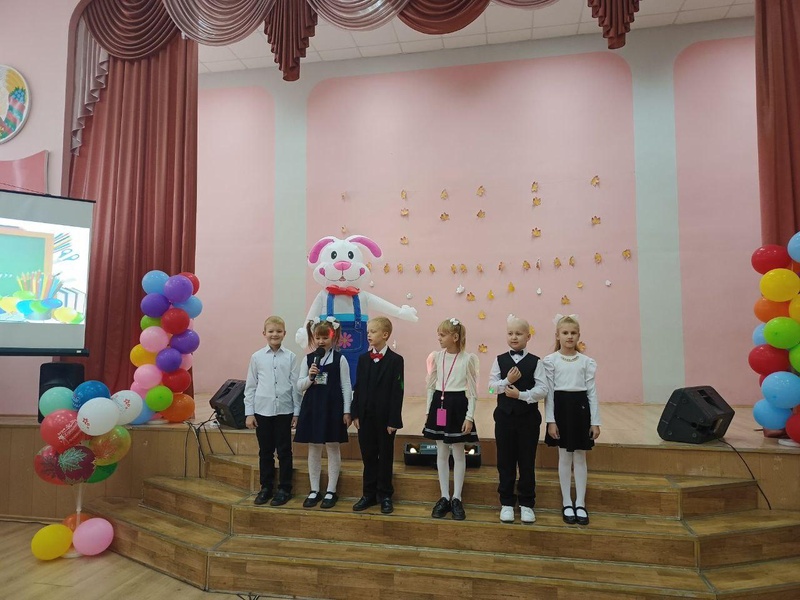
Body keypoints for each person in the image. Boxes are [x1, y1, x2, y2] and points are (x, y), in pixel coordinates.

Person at [488, 315, 548, 524]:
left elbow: (542, 389)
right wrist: (507, 381)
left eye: (519, 333)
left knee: (526, 461)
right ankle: (506, 502)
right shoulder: (499, 360)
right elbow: (490, 388)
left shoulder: (536, 362)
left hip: (528, 420)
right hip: (504, 419)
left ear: (528, 337)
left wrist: (521, 395)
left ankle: (526, 503)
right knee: (505, 461)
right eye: (510, 333)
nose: (514, 337)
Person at [543, 314, 601, 526]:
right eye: (565, 333)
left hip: (580, 410)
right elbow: (549, 394)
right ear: (557, 335)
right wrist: (551, 421)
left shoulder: (586, 362)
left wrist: (595, 421)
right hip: (561, 410)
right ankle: (567, 502)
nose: (569, 336)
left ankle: (580, 503)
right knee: (564, 457)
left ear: (579, 335)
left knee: (580, 457)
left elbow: (592, 393)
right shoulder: (550, 361)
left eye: (573, 333)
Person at [422, 317, 479, 521]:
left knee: (458, 452)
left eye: (443, 335)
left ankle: (457, 497)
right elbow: (431, 386)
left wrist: (469, 416)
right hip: (440, 404)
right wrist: (428, 411)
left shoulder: (467, 359)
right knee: (442, 451)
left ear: (455, 337)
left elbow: (472, 391)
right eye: (438, 334)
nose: (439, 338)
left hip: (458, 406)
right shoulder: (437, 357)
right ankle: (444, 496)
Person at [295, 316, 352, 509]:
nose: (321, 341)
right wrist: (311, 377)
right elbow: (299, 386)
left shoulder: (340, 358)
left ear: (333, 337)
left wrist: (347, 410)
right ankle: (314, 489)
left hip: (332, 407)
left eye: (325, 338)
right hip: (313, 407)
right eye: (317, 338)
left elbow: (346, 386)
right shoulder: (309, 359)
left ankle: (331, 490)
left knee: (333, 446)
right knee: (314, 447)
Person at [244, 316, 301, 507]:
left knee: (284, 451)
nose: (274, 334)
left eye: (278, 331)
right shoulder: (257, 357)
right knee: (265, 451)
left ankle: (285, 488)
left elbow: (295, 387)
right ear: (264, 333)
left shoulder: (291, 357)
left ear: (284, 333)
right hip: (263, 411)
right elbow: (251, 386)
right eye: (271, 331)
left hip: (284, 411)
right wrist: (249, 412)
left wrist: (296, 412)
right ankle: (266, 487)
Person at [351, 317, 405, 514]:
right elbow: (358, 388)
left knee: (385, 456)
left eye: (373, 332)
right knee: (368, 456)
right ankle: (368, 494)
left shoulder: (396, 360)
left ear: (385, 335)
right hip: (365, 417)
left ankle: (385, 494)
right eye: (368, 332)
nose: (369, 335)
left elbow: (397, 391)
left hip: (385, 419)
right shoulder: (363, 359)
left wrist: (394, 420)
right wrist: (356, 413)